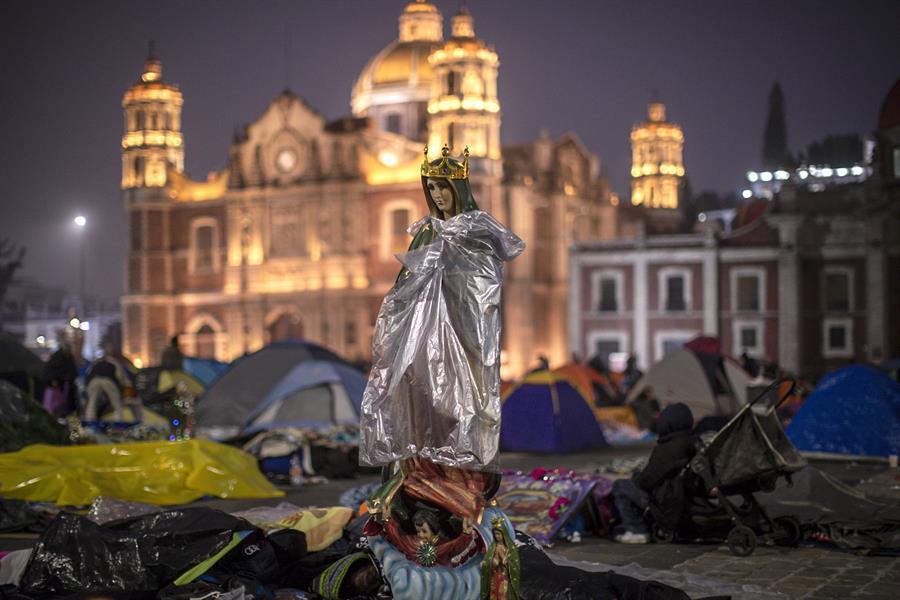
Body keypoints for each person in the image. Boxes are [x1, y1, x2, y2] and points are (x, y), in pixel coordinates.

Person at [359, 146, 524, 471]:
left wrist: (449, 266)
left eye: (443, 187)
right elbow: (404, 286)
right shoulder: (425, 233)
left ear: (458, 189)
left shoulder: (478, 231)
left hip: (462, 337)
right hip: (421, 339)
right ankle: (422, 473)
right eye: (431, 188)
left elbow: (483, 285)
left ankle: (461, 473)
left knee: (462, 406)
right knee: (420, 408)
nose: (437, 195)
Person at [612, 403, 696, 543]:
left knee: (620, 485)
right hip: (679, 496)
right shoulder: (691, 441)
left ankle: (637, 530)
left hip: (665, 501)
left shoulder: (668, 448)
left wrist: (636, 476)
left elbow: (647, 481)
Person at [84, 340, 140, 422]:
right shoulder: (114, 361)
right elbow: (120, 375)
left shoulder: (97, 361)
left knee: (92, 402)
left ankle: (89, 420)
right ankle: (118, 421)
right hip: (108, 381)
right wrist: (125, 385)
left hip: (94, 381)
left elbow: (87, 373)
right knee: (116, 404)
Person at [43, 336, 79, 417]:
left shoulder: (68, 358)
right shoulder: (58, 357)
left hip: (65, 386)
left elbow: (71, 371)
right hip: (57, 386)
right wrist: (53, 380)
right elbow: (52, 370)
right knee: (53, 404)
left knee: (66, 404)